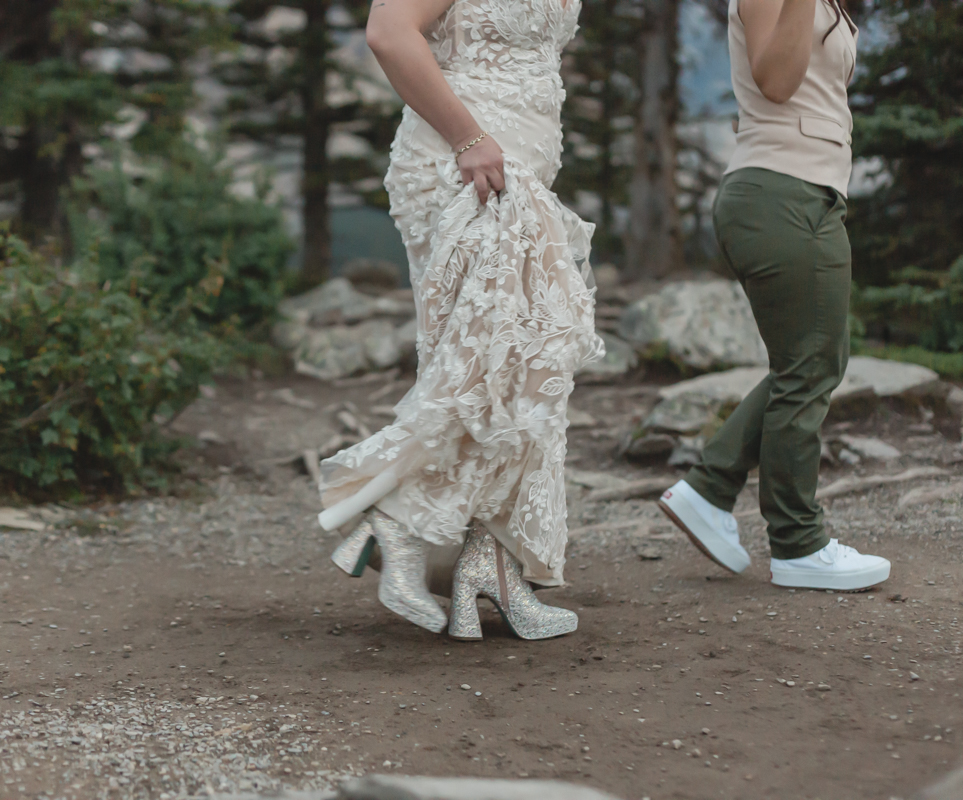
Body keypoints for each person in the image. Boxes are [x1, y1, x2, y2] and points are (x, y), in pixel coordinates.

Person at [315, 0, 604, 638]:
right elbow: (389, 32)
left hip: (523, 167)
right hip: (462, 165)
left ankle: (491, 563)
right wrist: (468, 138)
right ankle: (396, 515)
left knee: (526, 370)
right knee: (497, 361)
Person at [659, 0, 891, 591]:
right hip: (781, 193)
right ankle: (798, 543)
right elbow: (777, 82)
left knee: (813, 360)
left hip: (806, 192)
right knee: (810, 365)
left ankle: (709, 489)